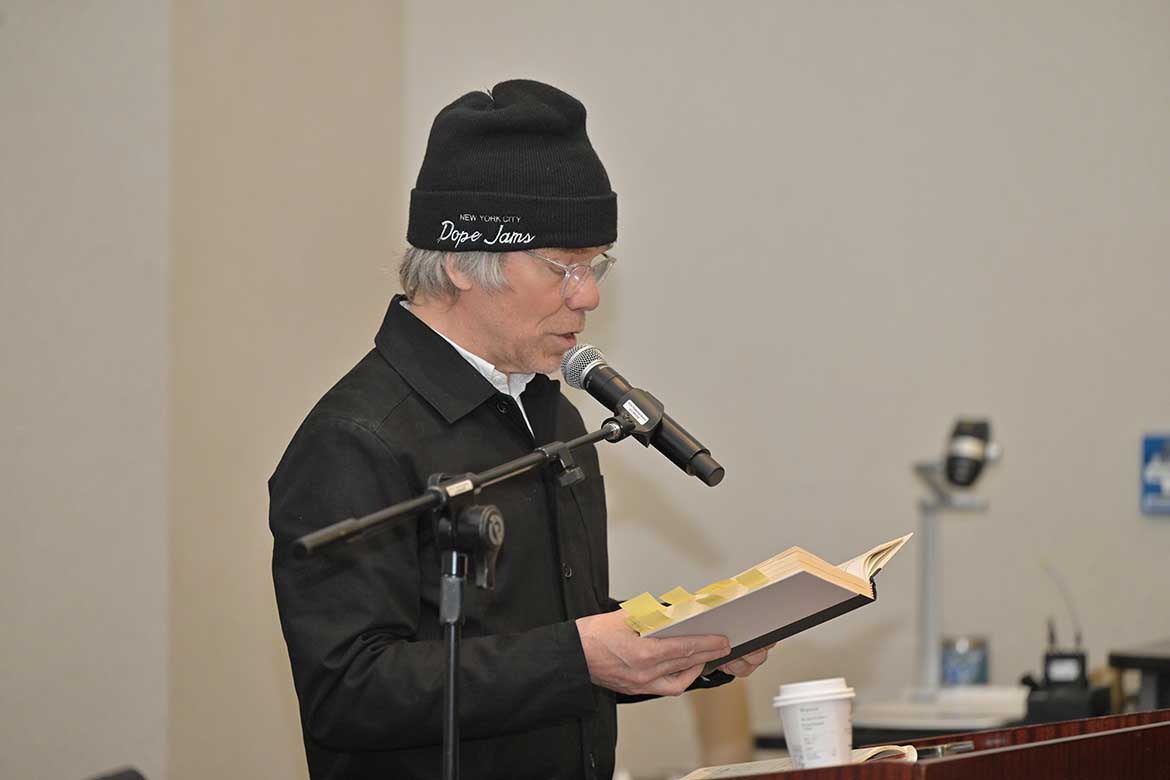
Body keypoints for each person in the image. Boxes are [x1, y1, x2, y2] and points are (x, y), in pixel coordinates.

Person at [270, 79, 772, 780]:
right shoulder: (355, 438)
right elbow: (347, 690)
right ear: (458, 263)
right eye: (563, 266)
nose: (589, 293)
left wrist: (690, 645)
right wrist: (581, 655)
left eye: (595, 264)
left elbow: (551, 639)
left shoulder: (553, 413)